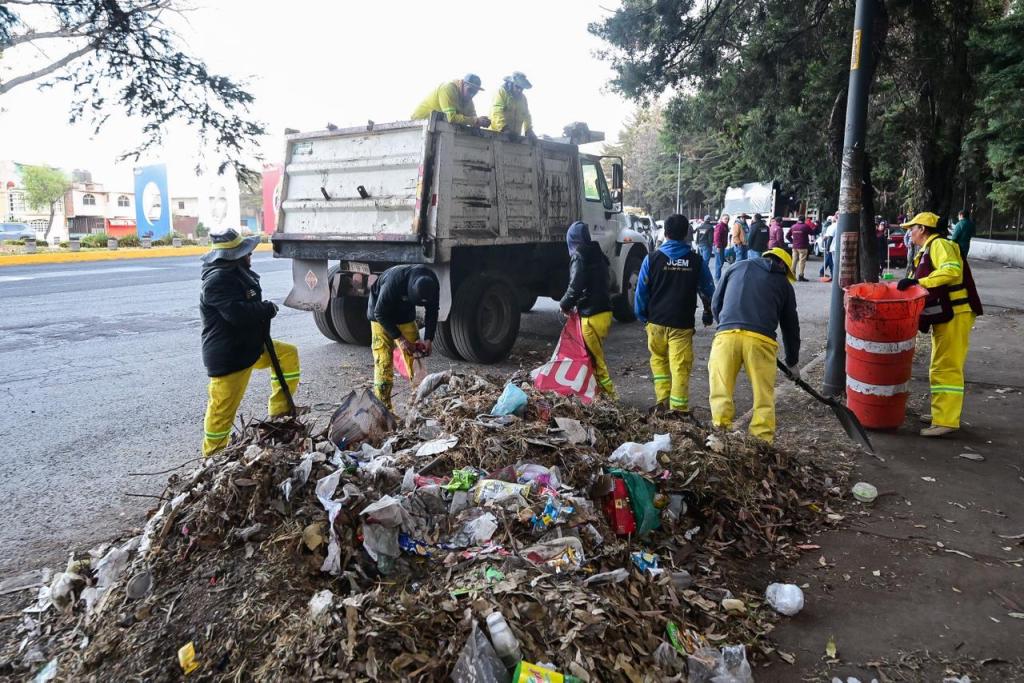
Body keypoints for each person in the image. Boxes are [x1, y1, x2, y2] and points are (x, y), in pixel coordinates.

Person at [200, 229, 300, 457]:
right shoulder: (217, 281)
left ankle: (280, 412)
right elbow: (236, 314)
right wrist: (265, 308)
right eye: (247, 252)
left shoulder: (235, 273)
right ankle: (212, 456)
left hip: (249, 346)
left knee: (288, 355)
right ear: (235, 256)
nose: (250, 256)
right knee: (221, 412)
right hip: (231, 356)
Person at [897, 212, 983, 437]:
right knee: (939, 365)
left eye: (912, 228)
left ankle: (946, 420)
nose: (910, 232)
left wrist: (918, 281)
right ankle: (942, 414)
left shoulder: (940, 245)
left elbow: (952, 270)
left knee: (946, 367)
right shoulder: (930, 248)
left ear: (923, 229)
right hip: (949, 315)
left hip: (956, 313)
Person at [708, 247, 800, 443]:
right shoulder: (783, 283)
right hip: (761, 341)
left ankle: (720, 432)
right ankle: (762, 440)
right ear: (782, 264)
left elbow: (716, 303)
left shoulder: (735, 267)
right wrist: (792, 362)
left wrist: (726, 323)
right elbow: (790, 327)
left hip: (726, 336)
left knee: (721, 388)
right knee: (763, 394)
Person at [634, 214, 715, 414]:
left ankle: (662, 402)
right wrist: (708, 312)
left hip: (656, 323)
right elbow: (708, 291)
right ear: (687, 234)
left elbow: (641, 291)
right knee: (679, 367)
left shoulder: (651, 259)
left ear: (666, 233)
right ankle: (678, 411)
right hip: (682, 324)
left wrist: (643, 316)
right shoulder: (696, 261)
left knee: (659, 363)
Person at [367, 265, 440, 410]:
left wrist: (428, 339)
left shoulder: (432, 283)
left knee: (415, 357)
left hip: (405, 316)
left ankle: (419, 405)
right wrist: (401, 340)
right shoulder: (394, 281)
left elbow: (432, 311)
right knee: (384, 361)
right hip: (381, 315)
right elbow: (380, 313)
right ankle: (384, 409)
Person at [560, 221, 616, 399]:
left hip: (591, 315)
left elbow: (575, 286)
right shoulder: (599, 254)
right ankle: (597, 393)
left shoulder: (579, 256)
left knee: (595, 359)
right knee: (594, 356)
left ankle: (611, 397)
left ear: (573, 240)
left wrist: (564, 304)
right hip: (605, 312)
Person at [411, 74, 490, 128]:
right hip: (418, 126)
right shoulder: (448, 89)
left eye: (475, 92)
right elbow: (451, 118)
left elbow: (473, 119)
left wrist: (482, 121)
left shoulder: (468, 101)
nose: (472, 95)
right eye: (470, 90)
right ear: (462, 84)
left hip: (435, 126)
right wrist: (476, 121)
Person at [490, 72, 536, 141]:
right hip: (496, 135)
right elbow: (496, 112)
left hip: (514, 137)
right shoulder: (501, 92)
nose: (519, 90)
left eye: (522, 88)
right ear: (511, 83)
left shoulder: (523, 98)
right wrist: (504, 128)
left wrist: (528, 130)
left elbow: (526, 115)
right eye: (517, 87)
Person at [788, 216, 812, 281]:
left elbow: (787, 236)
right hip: (803, 246)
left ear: (798, 220)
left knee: (794, 260)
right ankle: (801, 276)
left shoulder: (793, 226)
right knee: (802, 261)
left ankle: (792, 275)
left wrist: (792, 241)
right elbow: (812, 232)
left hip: (795, 247)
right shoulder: (805, 226)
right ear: (804, 220)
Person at [819, 214, 837, 280]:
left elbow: (826, 236)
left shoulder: (828, 226)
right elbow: (828, 237)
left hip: (830, 246)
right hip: (830, 246)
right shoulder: (830, 226)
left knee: (829, 260)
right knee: (830, 260)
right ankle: (830, 273)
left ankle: (826, 272)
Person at [713, 213, 730, 281]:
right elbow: (716, 236)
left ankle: (717, 277)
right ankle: (717, 278)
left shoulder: (725, 226)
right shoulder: (720, 226)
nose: (727, 220)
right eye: (725, 218)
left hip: (722, 246)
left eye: (728, 219)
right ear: (721, 219)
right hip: (719, 247)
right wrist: (718, 246)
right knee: (719, 262)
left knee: (721, 262)